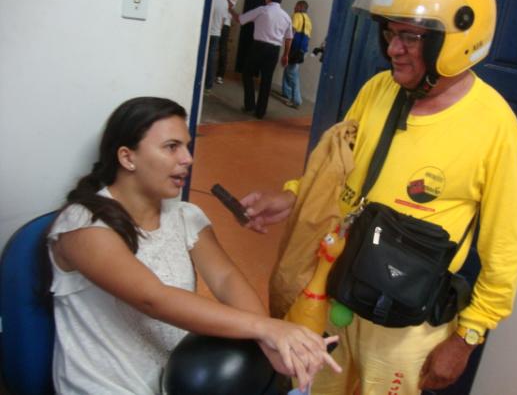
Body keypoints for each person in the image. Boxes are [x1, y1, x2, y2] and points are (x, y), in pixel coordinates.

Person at [240, 0, 517, 395]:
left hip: (404, 321)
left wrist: (468, 336)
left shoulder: (495, 127)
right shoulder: (379, 90)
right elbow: (340, 168)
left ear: (457, 40)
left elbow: (505, 249)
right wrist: (295, 194)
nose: (394, 49)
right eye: (391, 34)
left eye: (411, 37)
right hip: (335, 289)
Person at [43, 97, 340, 394]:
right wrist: (267, 328)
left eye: (186, 146)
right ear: (127, 157)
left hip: (179, 379)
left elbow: (226, 279)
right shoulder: (83, 224)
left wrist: (269, 341)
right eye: (172, 147)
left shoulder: (184, 216)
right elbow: (153, 298)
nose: (188, 158)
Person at [229, 0, 293, 119]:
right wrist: (286, 55)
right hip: (274, 50)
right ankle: (260, 112)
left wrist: (230, 9)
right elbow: (289, 38)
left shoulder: (262, 10)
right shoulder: (286, 17)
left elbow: (240, 20)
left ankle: (250, 105)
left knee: (247, 74)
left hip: (258, 47)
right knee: (266, 80)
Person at [282, 0, 312, 109]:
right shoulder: (308, 19)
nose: (294, 7)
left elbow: (292, 31)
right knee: (289, 69)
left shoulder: (297, 16)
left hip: (294, 48)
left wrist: (286, 48)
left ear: (300, 7)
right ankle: (286, 93)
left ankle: (296, 100)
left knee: (292, 73)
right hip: (302, 50)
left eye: (296, 5)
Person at [216, 0, 239, 85]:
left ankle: (220, 75)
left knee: (223, 49)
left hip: (225, 24)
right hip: (214, 21)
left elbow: (230, 5)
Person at [204, 0, 228, 93]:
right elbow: (223, 21)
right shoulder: (224, 0)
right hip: (216, 33)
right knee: (211, 58)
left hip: (205, 32)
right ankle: (208, 86)